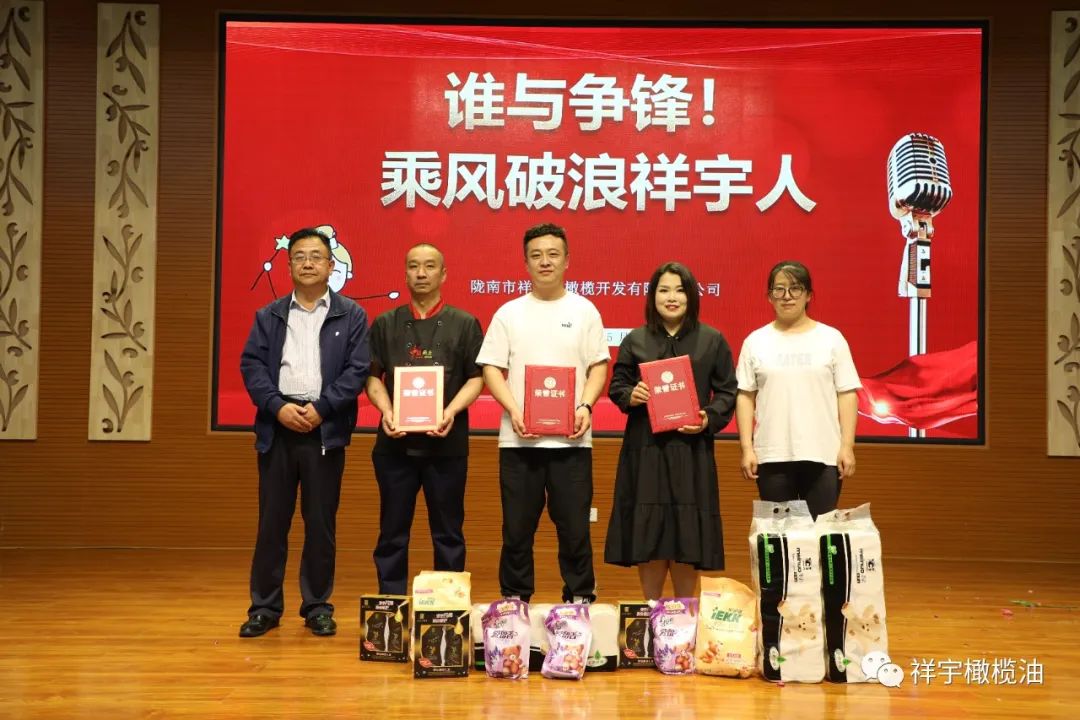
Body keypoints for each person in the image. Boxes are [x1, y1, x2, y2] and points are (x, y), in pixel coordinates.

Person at [238, 227, 370, 637]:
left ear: (331, 265)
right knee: (271, 523)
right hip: (278, 428)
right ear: (289, 264)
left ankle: (317, 606)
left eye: (316, 256)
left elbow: (357, 370)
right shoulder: (270, 315)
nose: (308, 263)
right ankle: (264, 607)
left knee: (320, 524)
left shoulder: (351, 314)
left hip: (324, 430)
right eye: (299, 256)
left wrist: (322, 408)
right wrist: (277, 407)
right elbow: (252, 366)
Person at [476, 223, 610, 604]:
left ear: (567, 261)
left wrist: (585, 405)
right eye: (536, 255)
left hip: (572, 442)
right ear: (526, 263)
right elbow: (491, 368)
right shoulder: (509, 313)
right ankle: (515, 601)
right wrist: (514, 409)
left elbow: (599, 365)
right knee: (517, 529)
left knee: (575, 529)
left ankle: (579, 598)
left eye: (553, 254)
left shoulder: (584, 310)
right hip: (519, 441)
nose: (545, 262)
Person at [604, 261, 737, 600]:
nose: (672, 297)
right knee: (649, 533)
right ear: (653, 297)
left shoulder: (712, 340)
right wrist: (631, 394)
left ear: (691, 295)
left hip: (691, 451)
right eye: (664, 290)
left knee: (686, 534)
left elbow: (727, 392)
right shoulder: (635, 339)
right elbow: (617, 385)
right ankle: (652, 611)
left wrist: (707, 418)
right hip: (645, 450)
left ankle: (684, 615)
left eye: (679, 290)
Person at [364, 243, 484, 595]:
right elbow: (372, 376)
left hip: (446, 446)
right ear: (405, 273)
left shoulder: (465, 323)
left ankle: (446, 607)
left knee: (448, 533)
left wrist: (450, 411)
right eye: (413, 266)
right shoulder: (385, 323)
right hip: (394, 447)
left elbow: (476, 377)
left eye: (429, 266)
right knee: (391, 533)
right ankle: (391, 606)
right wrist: (386, 411)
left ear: (443, 274)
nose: (421, 273)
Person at [735, 260, 860, 519]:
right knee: (780, 537)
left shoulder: (831, 338)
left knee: (821, 533)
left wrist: (847, 446)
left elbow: (847, 394)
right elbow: (745, 396)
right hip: (771, 455)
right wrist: (747, 448)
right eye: (779, 289)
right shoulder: (755, 341)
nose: (787, 296)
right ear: (769, 297)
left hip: (823, 454)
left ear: (808, 295)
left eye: (795, 288)